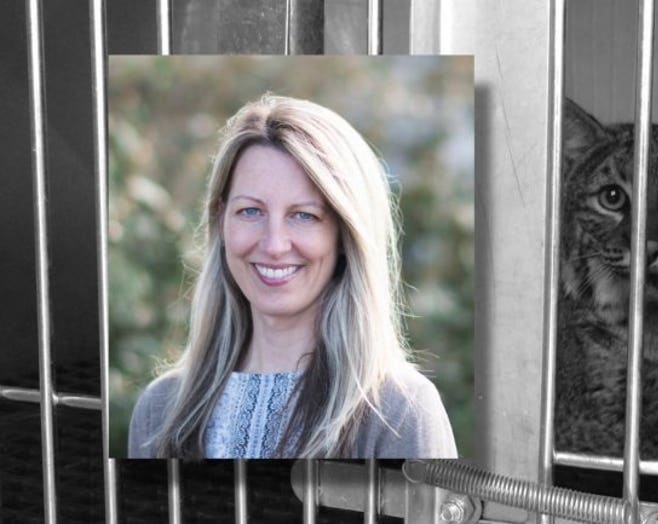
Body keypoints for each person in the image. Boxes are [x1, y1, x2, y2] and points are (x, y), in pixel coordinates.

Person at [128, 94, 458, 459]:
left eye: (303, 215)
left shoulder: (400, 411)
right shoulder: (159, 411)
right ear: (221, 221)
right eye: (251, 211)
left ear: (345, 234)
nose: (274, 245)